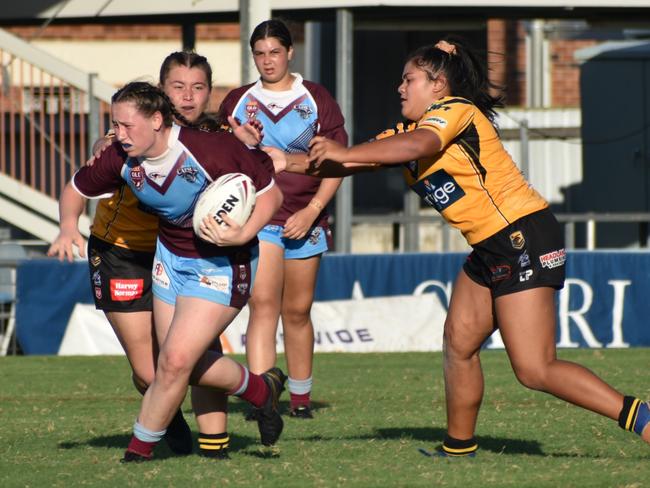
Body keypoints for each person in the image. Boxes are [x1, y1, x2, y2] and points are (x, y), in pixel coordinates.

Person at [272, 37, 650, 455]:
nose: (400, 87)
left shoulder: (454, 112)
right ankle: (457, 449)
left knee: (535, 369)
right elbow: (343, 160)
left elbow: (419, 146)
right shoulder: (405, 133)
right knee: (459, 343)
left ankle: (643, 418)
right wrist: (279, 160)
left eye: (409, 79)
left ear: (438, 86)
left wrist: (344, 151)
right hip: (491, 247)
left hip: (520, 235)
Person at [53, 80, 286, 462]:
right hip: (170, 261)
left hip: (222, 264)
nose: (119, 134)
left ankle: (137, 453)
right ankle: (260, 391)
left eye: (128, 126)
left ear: (158, 120)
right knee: (173, 366)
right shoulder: (120, 158)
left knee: (176, 361)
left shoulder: (210, 149)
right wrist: (67, 226)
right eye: (116, 124)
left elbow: (271, 195)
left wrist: (243, 230)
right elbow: (76, 188)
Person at [218, 19, 347, 420]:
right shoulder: (238, 101)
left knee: (298, 310)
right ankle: (261, 395)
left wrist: (312, 211)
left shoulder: (317, 97)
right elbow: (223, 161)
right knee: (264, 304)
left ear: (291, 53)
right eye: (259, 53)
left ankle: (301, 399)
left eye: (275, 52)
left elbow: (337, 162)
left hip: (306, 217)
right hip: (263, 218)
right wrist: (240, 143)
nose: (267, 60)